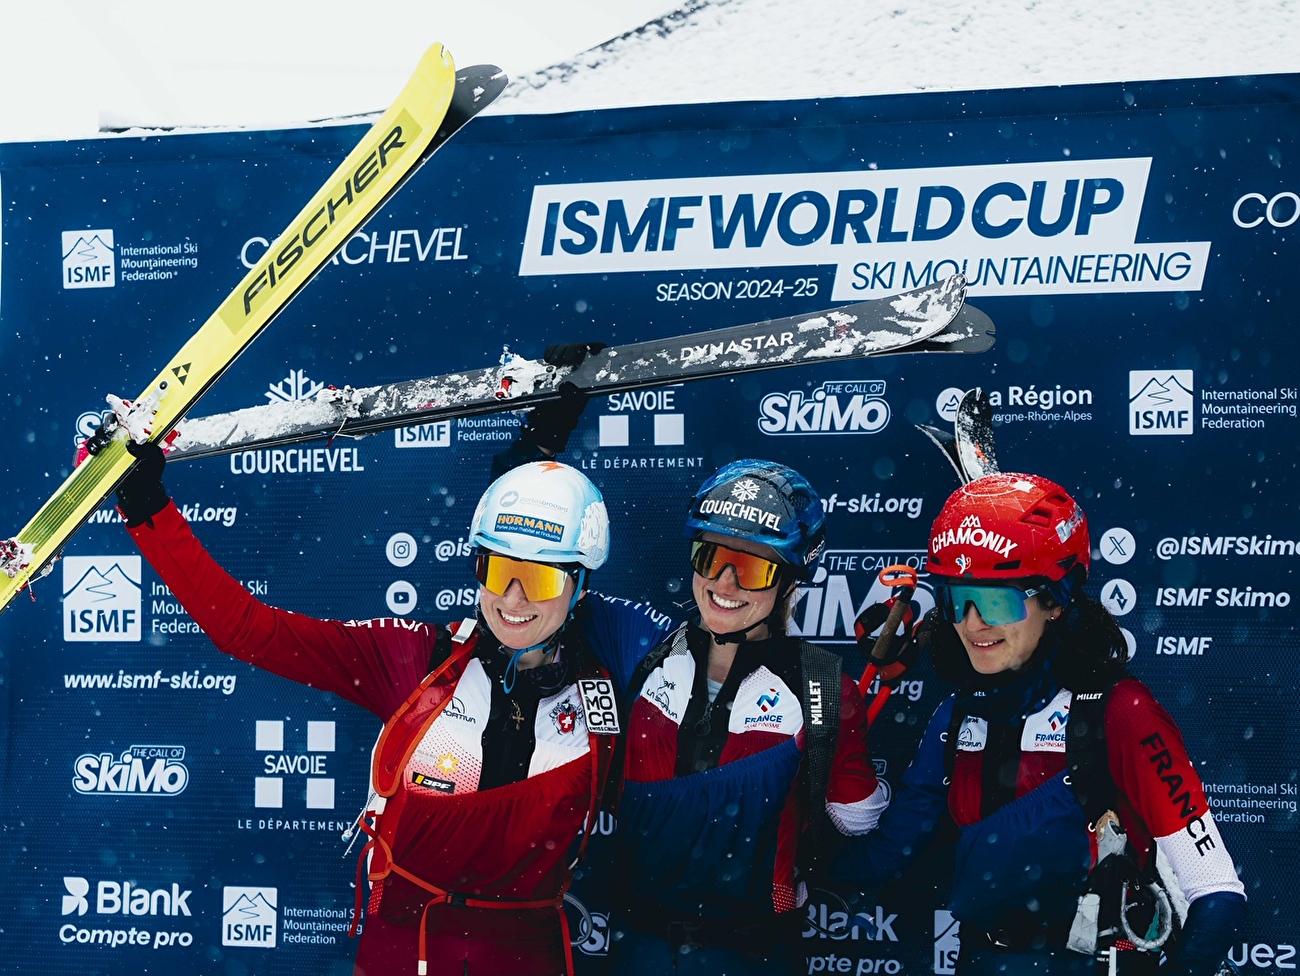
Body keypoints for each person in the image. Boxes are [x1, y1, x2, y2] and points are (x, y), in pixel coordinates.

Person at [113, 440, 672, 976]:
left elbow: (719, 641)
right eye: (499, 571)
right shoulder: (415, 659)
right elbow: (246, 631)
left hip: (531, 957)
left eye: (543, 576)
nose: (514, 598)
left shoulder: (618, 668)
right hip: (407, 950)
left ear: (580, 586)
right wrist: (148, 510)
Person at [833, 472, 1246, 976]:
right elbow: (884, 858)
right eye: (957, 598)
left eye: (996, 601)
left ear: (1055, 601)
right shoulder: (957, 716)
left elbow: (1215, 889)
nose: (971, 623)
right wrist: (832, 753)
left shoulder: (1118, 712)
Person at [604, 459, 888, 975]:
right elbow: (536, 587)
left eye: (754, 568)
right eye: (711, 557)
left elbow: (856, 816)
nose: (726, 583)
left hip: (753, 951)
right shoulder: (642, 645)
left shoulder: (825, 688)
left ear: (789, 580)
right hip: (634, 943)